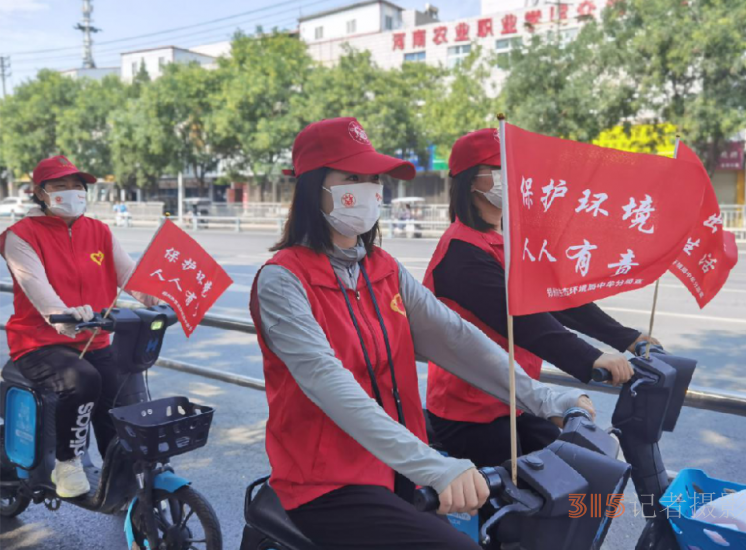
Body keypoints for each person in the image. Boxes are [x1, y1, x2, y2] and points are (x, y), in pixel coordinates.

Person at [250, 117, 595, 550]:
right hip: (328, 484)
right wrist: (432, 466)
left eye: (374, 179)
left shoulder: (382, 268)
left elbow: (455, 338)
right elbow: (328, 383)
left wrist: (544, 398)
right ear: (312, 187)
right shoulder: (283, 280)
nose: (371, 190)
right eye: (352, 178)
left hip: (396, 469)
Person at [424, 128, 661, 468]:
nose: (512, 178)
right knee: (524, 506)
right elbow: (527, 322)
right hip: (471, 410)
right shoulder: (461, 254)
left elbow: (557, 298)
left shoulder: (505, 242)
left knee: (584, 466)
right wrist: (591, 358)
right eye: (498, 169)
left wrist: (627, 337)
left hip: (516, 400)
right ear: (471, 182)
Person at [0, 155, 159, 498]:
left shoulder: (98, 231)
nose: (72, 192)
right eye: (60, 186)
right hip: (38, 343)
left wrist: (157, 298)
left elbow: (129, 275)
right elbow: (36, 288)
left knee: (117, 400)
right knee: (82, 380)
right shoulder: (20, 236)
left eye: (78, 186)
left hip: (95, 338)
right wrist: (63, 313)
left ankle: (121, 474)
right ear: (40, 194)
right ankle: (67, 462)